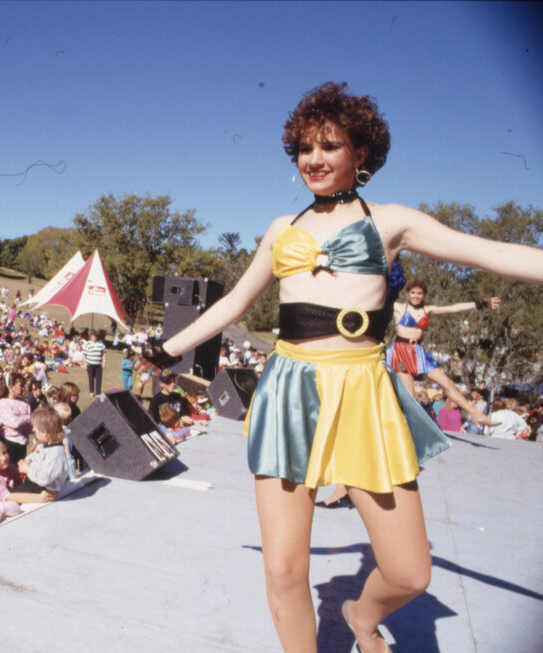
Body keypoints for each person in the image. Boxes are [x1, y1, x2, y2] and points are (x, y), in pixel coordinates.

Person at [136, 82, 543, 652]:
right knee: (283, 571)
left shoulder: (392, 221)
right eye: (304, 148)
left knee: (410, 573)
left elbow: (489, 253)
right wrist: (168, 346)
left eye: (330, 146)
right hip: (290, 389)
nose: (314, 159)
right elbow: (234, 303)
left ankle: (358, 615)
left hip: (365, 394)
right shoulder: (283, 229)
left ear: (361, 154)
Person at [386, 279, 500, 426]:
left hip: (418, 352)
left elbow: (453, 308)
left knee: (449, 383)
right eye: (413, 292)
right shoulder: (398, 307)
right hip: (401, 353)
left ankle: (476, 414)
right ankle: (400, 426)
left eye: (419, 293)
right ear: (407, 294)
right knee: (409, 394)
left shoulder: (427, 310)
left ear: (424, 295)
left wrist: (479, 304)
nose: (416, 296)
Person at [14, 406, 69, 495]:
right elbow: (43, 464)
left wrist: (28, 469)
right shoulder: (46, 446)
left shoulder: (56, 453)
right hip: (35, 484)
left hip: (42, 489)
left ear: (44, 432)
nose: (33, 430)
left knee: (11, 495)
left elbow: (45, 479)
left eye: (35, 430)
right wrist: (30, 463)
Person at [81, 330, 106, 396]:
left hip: (98, 364)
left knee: (99, 379)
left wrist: (103, 362)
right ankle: (91, 391)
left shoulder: (101, 343)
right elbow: (84, 355)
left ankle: (98, 392)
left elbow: (104, 353)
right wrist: (84, 364)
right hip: (90, 364)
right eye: (92, 336)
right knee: (91, 378)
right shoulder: (87, 343)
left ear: (96, 337)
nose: (93, 338)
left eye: (95, 336)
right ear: (90, 337)